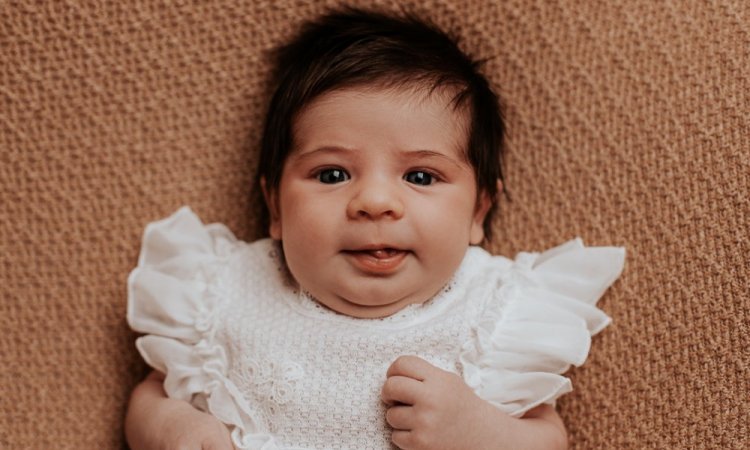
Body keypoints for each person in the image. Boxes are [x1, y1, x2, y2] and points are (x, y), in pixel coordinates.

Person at [124, 6, 625, 450]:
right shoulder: (223, 290)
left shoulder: (493, 313)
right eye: (333, 174)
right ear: (274, 206)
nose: (375, 203)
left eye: (421, 176)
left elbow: (548, 436)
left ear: (478, 212)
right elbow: (153, 391)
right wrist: (174, 430)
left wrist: (477, 433)